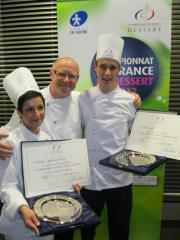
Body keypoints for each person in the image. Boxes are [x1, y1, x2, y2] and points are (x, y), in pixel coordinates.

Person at [0, 57, 141, 240]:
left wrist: (132, 100)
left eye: (72, 76)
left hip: (67, 182)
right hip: (35, 181)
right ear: (52, 74)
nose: (66, 80)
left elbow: (107, 110)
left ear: (77, 78)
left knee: (66, 233)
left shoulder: (81, 99)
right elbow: (7, 130)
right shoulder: (33, 99)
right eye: (62, 74)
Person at [79, 33, 137, 240]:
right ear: (95, 67)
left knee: (120, 231)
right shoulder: (82, 98)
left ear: (119, 70)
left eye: (113, 67)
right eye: (103, 66)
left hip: (120, 179)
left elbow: (140, 136)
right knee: (87, 232)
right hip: (91, 181)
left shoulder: (130, 101)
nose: (107, 72)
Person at [0, 67, 53, 240]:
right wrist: (22, 207)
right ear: (19, 112)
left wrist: (69, 185)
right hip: (17, 223)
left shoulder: (47, 138)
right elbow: (7, 186)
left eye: (40, 107)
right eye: (29, 109)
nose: (37, 114)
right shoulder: (9, 142)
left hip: (46, 216)